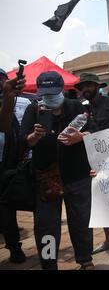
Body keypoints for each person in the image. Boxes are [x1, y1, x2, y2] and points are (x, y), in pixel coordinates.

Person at [20, 71, 97, 270]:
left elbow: (95, 132)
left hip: (77, 174)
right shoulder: (34, 110)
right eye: (46, 93)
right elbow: (24, 141)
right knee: (46, 224)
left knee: (81, 220)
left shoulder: (76, 107)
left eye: (54, 92)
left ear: (62, 89)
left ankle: (85, 260)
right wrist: (34, 137)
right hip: (46, 177)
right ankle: (49, 263)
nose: (50, 97)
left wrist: (80, 137)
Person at [74, 72, 109, 254]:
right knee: (100, 198)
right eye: (83, 87)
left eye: (89, 85)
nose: (86, 89)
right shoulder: (83, 110)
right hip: (96, 160)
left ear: (97, 86)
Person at [0, 68, 27, 263]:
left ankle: (14, 246)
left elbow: (7, 128)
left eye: (2, 80)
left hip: (6, 167)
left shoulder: (17, 103)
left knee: (6, 207)